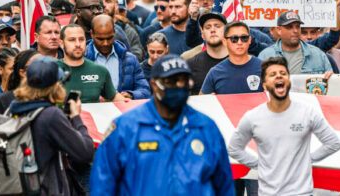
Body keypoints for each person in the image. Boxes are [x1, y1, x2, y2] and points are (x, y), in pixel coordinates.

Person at [90, 54, 235, 195]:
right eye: (171, 82)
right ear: (154, 84)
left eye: (184, 81)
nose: (178, 87)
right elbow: (103, 184)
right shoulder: (125, 128)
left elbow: (224, 185)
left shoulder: (205, 127)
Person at [228, 57, 340, 196]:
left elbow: (333, 143)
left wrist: (308, 160)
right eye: (272, 74)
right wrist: (259, 164)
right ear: (264, 84)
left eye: (283, 73)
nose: (279, 76)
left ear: (288, 80)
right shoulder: (252, 117)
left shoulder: (307, 112)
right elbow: (233, 148)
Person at [9, 56, 95, 195]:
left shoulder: (14, 108)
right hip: (47, 189)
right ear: (56, 85)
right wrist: (76, 117)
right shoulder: (51, 116)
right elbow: (85, 152)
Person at [84, 14, 150, 99]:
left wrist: (131, 95)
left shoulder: (129, 59)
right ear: (92, 34)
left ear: (114, 32)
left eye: (109, 38)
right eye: (100, 39)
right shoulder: (82, 59)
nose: (105, 43)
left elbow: (145, 90)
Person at [58, 24, 122, 103]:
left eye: (81, 39)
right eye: (72, 40)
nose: (78, 44)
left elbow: (114, 97)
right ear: (61, 44)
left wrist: (133, 106)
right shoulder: (52, 70)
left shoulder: (100, 70)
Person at [258, 11, 333, 75]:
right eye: (289, 27)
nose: (295, 31)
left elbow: (330, 85)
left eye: (297, 26)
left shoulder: (318, 55)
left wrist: (331, 77)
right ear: (279, 30)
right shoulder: (265, 56)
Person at [201, 20, 263, 95]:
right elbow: (202, 101)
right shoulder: (215, 72)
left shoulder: (264, 68)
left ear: (249, 40)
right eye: (234, 39)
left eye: (244, 38)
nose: (239, 42)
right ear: (224, 42)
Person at [186, 12, 229, 93]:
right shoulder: (190, 65)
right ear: (202, 34)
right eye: (208, 27)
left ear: (226, 32)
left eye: (217, 26)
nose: (212, 30)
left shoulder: (239, 61)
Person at [0, 50, 42, 114]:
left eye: (44, 66)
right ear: (22, 72)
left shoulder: (50, 97)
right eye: (35, 67)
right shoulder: (3, 100)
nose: (42, 71)